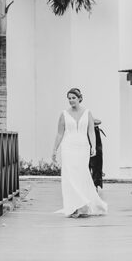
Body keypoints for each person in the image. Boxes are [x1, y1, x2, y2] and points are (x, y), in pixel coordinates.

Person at [52, 88, 108, 218]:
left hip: (83, 146)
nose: (71, 100)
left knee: (82, 174)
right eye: (69, 98)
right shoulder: (64, 114)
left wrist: (93, 146)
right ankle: (74, 207)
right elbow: (60, 133)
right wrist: (54, 149)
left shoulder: (87, 113)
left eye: (73, 98)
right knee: (70, 176)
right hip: (68, 146)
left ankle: (83, 205)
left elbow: (91, 131)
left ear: (79, 98)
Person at [89, 118, 106, 189]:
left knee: (97, 162)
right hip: (86, 140)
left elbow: (99, 121)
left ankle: (95, 184)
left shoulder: (89, 117)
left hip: (96, 141)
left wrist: (90, 122)